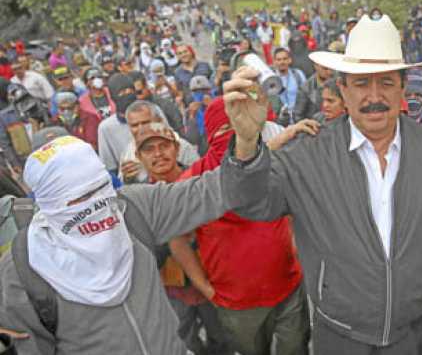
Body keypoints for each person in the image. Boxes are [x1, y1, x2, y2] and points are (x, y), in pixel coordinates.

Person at [221, 14, 422, 355]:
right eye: (362, 83)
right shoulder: (307, 154)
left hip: (414, 336)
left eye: (386, 82)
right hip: (339, 337)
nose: (374, 96)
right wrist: (247, 145)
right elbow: (249, 203)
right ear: (343, 89)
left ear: (403, 86)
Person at [0, 128, 266, 354]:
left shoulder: (132, 209)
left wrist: (246, 141)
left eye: (100, 189)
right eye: (79, 199)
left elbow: (214, 191)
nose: (96, 206)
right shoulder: (23, 270)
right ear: (48, 203)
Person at [176, 98, 310, 355]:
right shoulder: (191, 182)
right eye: (226, 130)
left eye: (242, 129)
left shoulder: (268, 164)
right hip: (236, 303)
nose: (236, 137)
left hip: (289, 288)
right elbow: (178, 239)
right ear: (211, 134)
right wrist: (204, 287)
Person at [134, 123, 231, 355]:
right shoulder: (136, 200)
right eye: (149, 150)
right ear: (138, 156)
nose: (158, 154)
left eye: (164, 146)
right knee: (183, 343)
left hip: (216, 281)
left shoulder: (201, 180)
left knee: (224, 340)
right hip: (171, 292)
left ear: (176, 148)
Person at [119, 100, 198, 185]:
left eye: (145, 122)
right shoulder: (127, 152)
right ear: (138, 155)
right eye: (135, 125)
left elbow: (198, 173)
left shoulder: (182, 146)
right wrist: (128, 179)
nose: (141, 128)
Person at [0, 84, 49, 171]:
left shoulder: (38, 105)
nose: (18, 95)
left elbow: (48, 124)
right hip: (26, 160)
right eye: (13, 93)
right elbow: (5, 143)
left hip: (46, 152)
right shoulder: (4, 116)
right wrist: (15, 164)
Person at [98, 73, 136, 176]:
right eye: (122, 92)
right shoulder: (106, 128)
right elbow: (110, 168)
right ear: (114, 97)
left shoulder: (152, 112)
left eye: (131, 91)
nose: (128, 95)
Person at [273, 47, 307, 125]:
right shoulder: (271, 79)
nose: (282, 62)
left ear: (289, 60)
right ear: (274, 62)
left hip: (299, 119)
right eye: (279, 59)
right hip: (280, 122)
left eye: (285, 59)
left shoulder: (298, 74)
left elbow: (307, 95)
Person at [184, 75, 214, 156]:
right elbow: (192, 139)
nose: (200, 94)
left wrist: (212, 107)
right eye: (196, 91)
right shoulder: (189, 111)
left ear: (209, 91)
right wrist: (192, 116)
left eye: (203, 90)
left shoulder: (219, 104)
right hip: (202, 153)